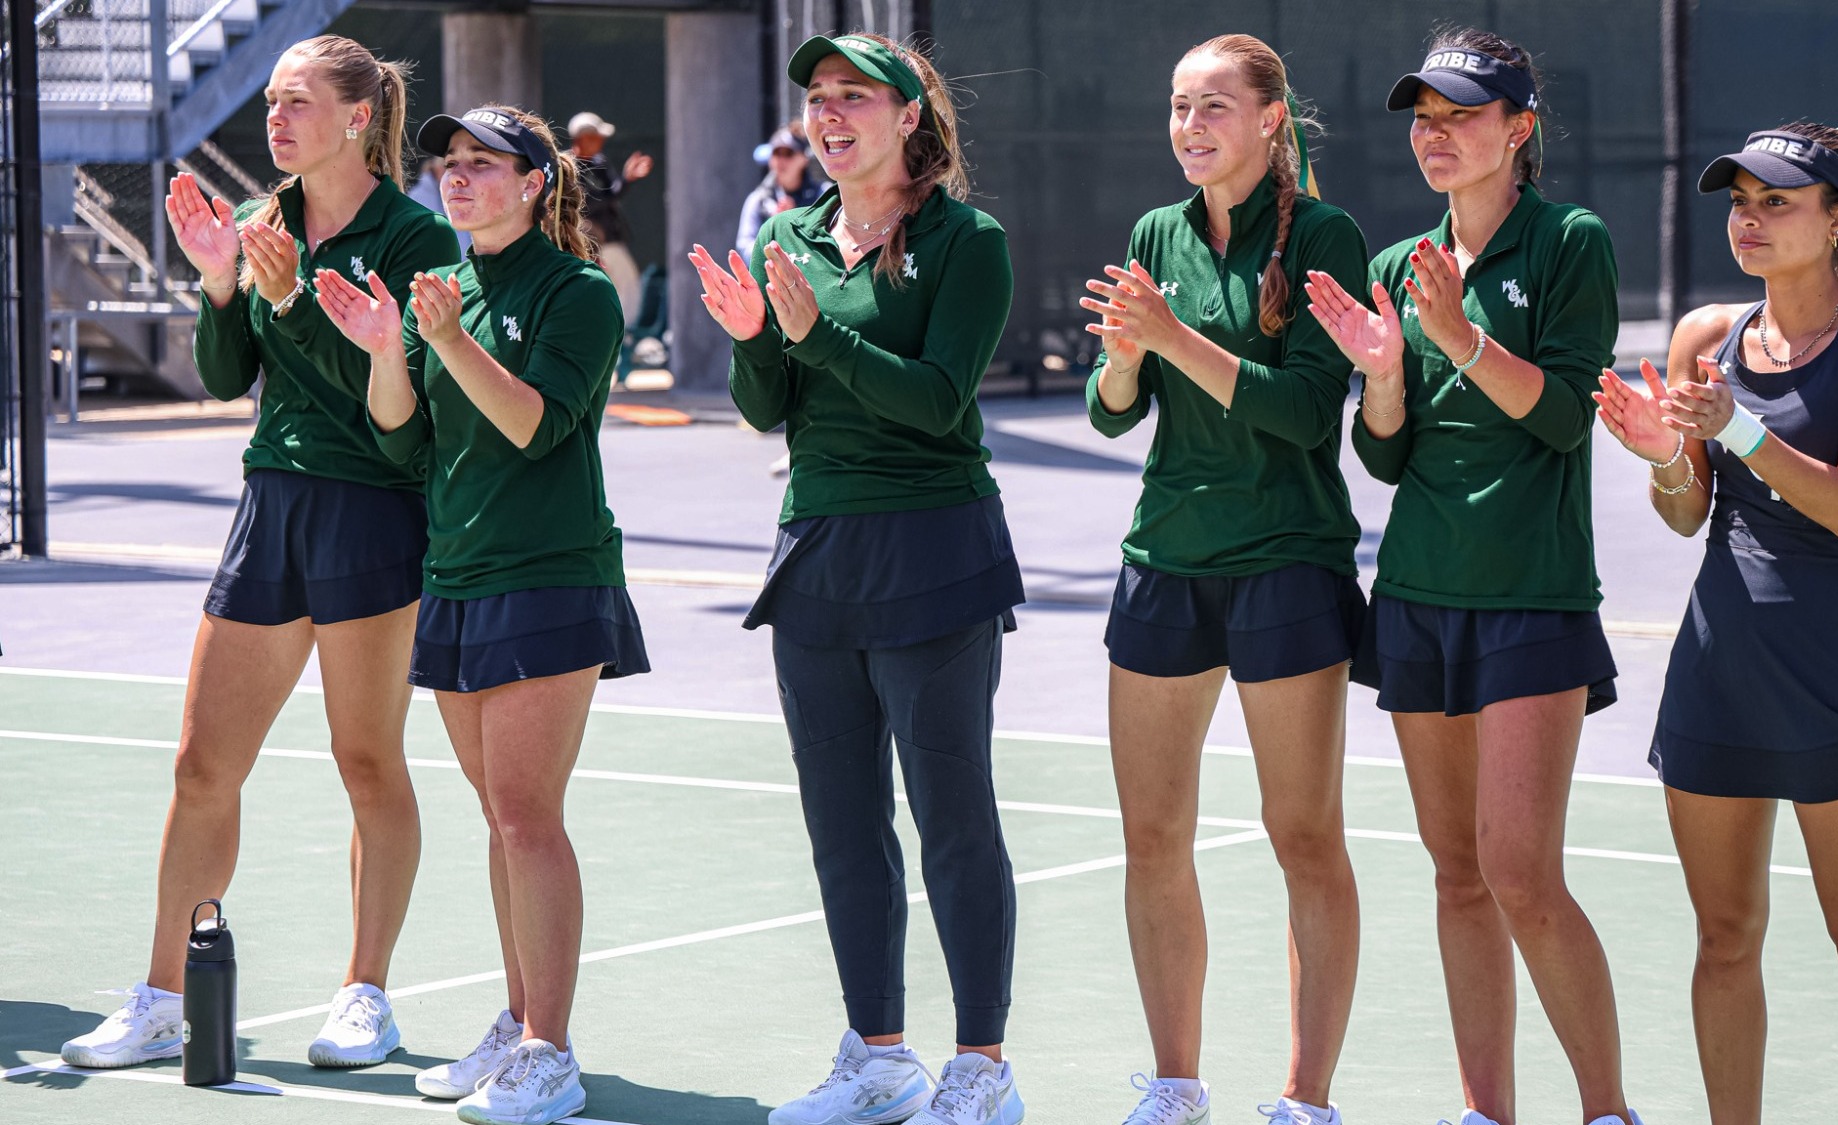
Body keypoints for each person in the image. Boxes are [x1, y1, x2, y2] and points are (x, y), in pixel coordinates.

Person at [59, 35, 459, 1074]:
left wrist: (285, 299)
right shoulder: (259, 222)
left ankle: (366, 994)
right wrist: (222, 285)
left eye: (295, 102)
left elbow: (397, 417)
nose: (275, 120)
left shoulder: (416, 239)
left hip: (374, 511)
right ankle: (161, 996)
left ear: (358, 117)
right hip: (270, 504)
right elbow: (224, 376)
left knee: (365, 761)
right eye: (271, 102)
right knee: (202, 766)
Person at [1303, 29, 1641, 1125]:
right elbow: (1383, 457)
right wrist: (1385, 375)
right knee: (1455, 875)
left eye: (1458, 114)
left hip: (1531, 596)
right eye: (1421, 116)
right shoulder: (1393, 267)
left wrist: (1452, 337)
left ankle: (1605, 1111)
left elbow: (1557, 420)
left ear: (1517, 129)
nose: (1433, 134)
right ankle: (1483, 1110)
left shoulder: (1568, 242)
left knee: (1520, 875)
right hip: (1414, 597)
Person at [689, 32, 1025, 1125]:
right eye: (818, 99)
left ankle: (981, 1067)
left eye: (853, 98)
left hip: (935, 553)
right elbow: (764, 407)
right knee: (841, 822)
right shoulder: (788, 234)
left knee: (952, 817)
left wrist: (811, 336)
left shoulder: (968, 241)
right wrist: (753, 340)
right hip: (819, 555)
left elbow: (938, 402)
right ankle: (879, 1057)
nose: (828, 115)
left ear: (910, 119)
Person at [1594, 123, 1838, 1124]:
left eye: (1775, 201)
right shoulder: (1704, 336)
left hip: (1835, 676)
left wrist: (1732, 428)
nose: (1748, 219)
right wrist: (1664, 453)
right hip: (1716, 670)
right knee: (1721, 937)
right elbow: (1686, 511)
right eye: (1738, 201)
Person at [316, 103, 647, 1125]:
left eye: (481, 164)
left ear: (537, 181)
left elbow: (532, 426)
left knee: (524, 816)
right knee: (499, 823)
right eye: (448, 164)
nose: (456, 179)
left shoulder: (579, 293)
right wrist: (386, 347)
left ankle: (551, 1052)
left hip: (550, 574)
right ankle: (516, 1020)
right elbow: (400, 446)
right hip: (455, 576)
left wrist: (446, 339)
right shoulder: (443, 293)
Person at [1078, 33, 1368, 1125]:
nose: (1189, 125)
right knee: (1150, 837)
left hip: (1286, 566)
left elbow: (1304, 415)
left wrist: (1169, 337)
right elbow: (1116, 412)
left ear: (1268, 121)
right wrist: (1119, 355)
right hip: (1163, 565)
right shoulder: (1158, 232)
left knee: (1303, 838)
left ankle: (1304, 1098)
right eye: (1176, 106)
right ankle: (1174, 1085)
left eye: (1212, 107)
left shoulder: (1328, 234)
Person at [568, 110, 651, 328]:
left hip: (610, 237)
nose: (601, 141)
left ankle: (623, 334)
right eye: (596, 136)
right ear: (582, 138)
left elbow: (611, 195)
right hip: (584, 242)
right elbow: (586, 204)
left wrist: (627, 178)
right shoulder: (567, 165)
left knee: (626, 286)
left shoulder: (599, 161)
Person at [736, 121, 829, 263]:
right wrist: (774, 228)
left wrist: (798, 224)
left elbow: (834, 245)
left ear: (804, 158)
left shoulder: (824, 195)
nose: (780, 160)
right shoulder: (758, 200)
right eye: (776, 153)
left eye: (788, 153)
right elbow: (745, 251)